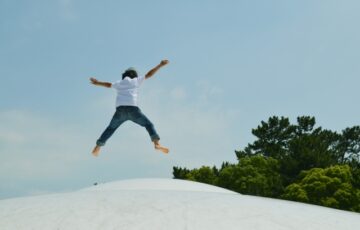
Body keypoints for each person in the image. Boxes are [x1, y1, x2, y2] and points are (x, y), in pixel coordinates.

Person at [90, 60, 170, 157]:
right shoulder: (135, 81)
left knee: (110, 129)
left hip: (120, 111)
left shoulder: (119, 83)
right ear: (134, 75)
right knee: (148, 124)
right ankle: (157, 144)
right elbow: (149, 74)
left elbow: (108, 85)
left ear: (124, 75)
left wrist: (97, 83)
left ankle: (97, 147)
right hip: (133, 110)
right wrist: (160, 65)